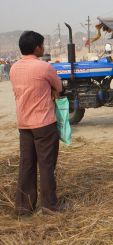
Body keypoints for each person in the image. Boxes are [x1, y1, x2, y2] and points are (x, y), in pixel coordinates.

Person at [10, 31, 64, 216]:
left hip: (24, 123)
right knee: (46, 165)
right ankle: (50, 206)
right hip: (44, 123)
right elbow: (59, 86)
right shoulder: (44, 67)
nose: (44, 47)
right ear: (36, 48)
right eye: (42, 45)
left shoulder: (14, 68)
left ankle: (24, 208)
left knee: (27, 164)